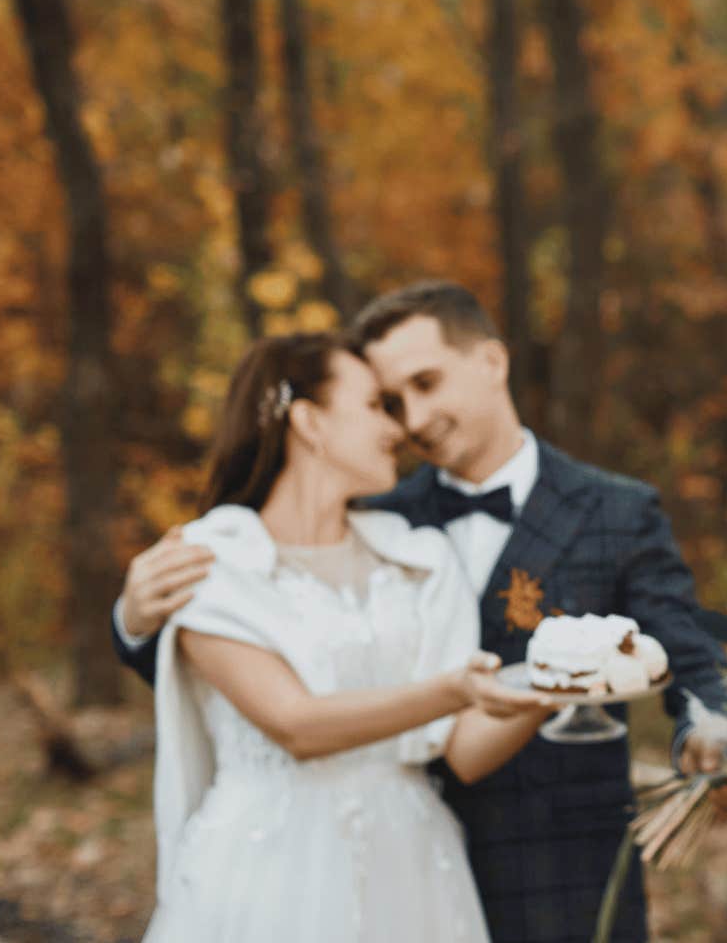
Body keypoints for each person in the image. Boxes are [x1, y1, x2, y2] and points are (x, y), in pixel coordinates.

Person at [114, 282, 727, 943]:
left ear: (492, 363)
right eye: (389, 401)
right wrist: (133, 620)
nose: (408, 421)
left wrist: (708, 728)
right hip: (368, 863)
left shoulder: (613, 509)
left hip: (556, 863)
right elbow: (231, 671)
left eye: (426, 384)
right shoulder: (378, 515)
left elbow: (683, 645)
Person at [144, 332, 555, 942]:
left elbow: (463, 750)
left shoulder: (417, 559)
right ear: (309, 422)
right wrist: (453, 690)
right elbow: (295, 725)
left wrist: (556, 686)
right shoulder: (211, 564)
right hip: (269, 867)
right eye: (373, 406)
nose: (398, 429)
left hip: (411, 865)